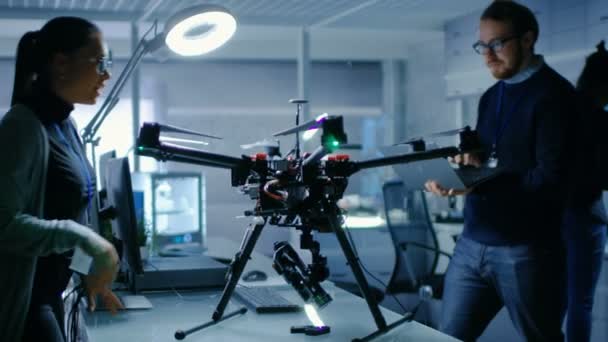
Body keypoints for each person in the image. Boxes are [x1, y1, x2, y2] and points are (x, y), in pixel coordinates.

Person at [425, 1, 574, 341]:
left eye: (497, 44)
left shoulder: (556, 97)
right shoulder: (491, 96)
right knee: (447, 337)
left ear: (527, 40)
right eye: (482, 46)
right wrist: (468, 163)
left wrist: (480, 184)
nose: (487, 56)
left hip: (526, 249)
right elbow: (496, 156)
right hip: (471, 244)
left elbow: (550, 179)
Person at [0, 17, 122, 342]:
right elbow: (4, 226)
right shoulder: (20, 127)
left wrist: (87, 273)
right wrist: (85, 239)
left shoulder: (67, 128)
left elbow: (72, 216)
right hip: (29, 301)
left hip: (59, 294)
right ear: (60, 63)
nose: (107, 74)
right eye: (99, 62)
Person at [561, 40, 608, 342]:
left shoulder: (559, 108)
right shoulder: (600, 120)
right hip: (583, 218)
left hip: (549, 217)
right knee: (580, 302)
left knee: (554, 300)